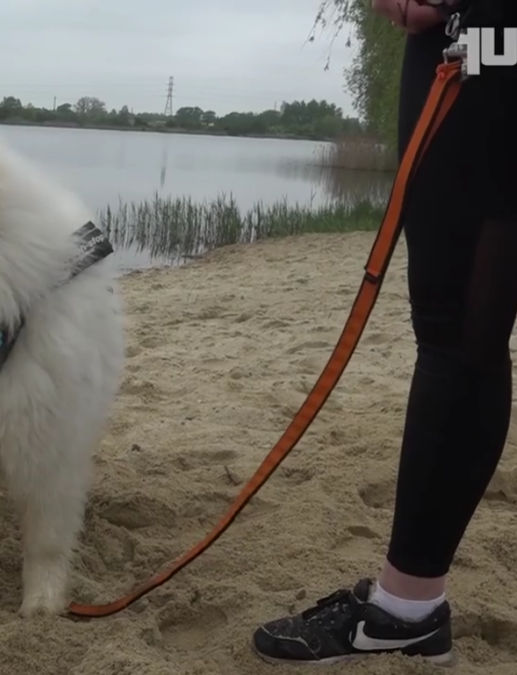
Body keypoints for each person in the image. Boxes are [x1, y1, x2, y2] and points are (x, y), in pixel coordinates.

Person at [251, 0, 517, 665]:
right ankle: (410, 606)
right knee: (458, 330)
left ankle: (405, 611)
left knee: (460, 331)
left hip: (490, 32)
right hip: (463, 36)